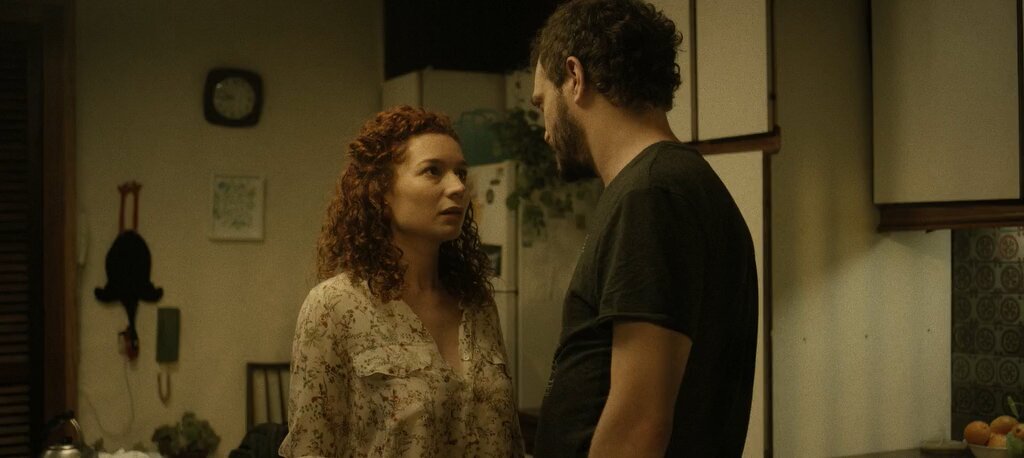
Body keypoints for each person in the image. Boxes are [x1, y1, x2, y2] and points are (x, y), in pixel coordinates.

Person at [528, 0, 759, 456]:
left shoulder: (651, 195)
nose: (545, 129)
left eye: (541, 103)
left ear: (574, 77)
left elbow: (640, 423)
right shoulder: (667, 185)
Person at [278, 105, 524, 457]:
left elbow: (509, 439)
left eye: (460, 173)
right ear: (381, 190)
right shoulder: (335, 306)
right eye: (433, 171)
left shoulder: (476, 303)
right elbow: (311, 447)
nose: (457, 187)